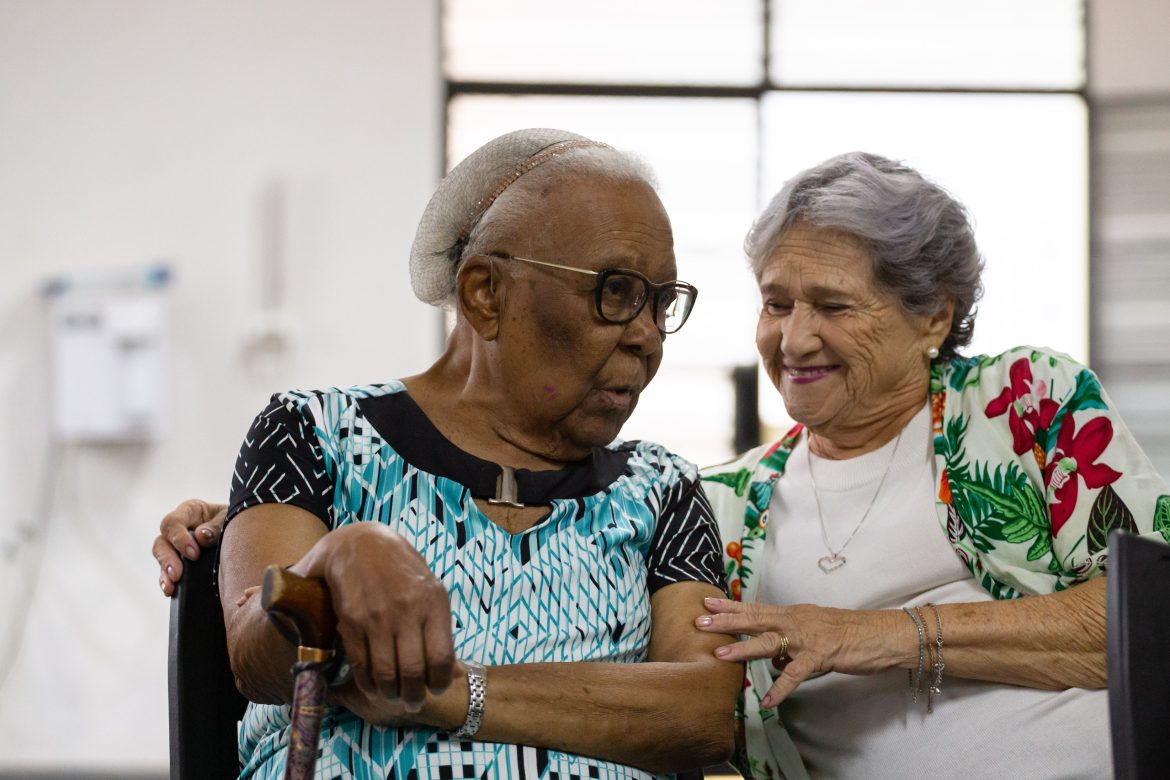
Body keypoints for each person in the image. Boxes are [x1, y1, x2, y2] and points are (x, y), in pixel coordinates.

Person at [157, 128, 740, 779]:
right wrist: (336, 560)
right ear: (486, 293)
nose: (648, 337)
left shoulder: (661, 488)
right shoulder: (313, 434)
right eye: (615, 292)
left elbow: (702, 714)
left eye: (660, 303)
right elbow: (255, 659)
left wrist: (448, 694)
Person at [695, 152, 1170, 778]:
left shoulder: (1023, 401)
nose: (794, 340)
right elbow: (688, 713)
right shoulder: (719, 504)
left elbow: (1151, 615)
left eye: (833, 306)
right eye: (776, 304)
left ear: (934, 318)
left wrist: (882, 635)